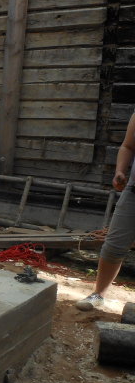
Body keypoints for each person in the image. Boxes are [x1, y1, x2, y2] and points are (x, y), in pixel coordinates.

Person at [75, 112, 135, 311]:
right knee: (114, 245)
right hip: (133, 192)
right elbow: (128, 146)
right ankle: (98, 295)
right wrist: (120, 171)